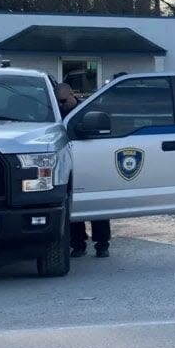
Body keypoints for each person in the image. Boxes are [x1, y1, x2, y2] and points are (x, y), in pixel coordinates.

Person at [56, 82, 112, 259]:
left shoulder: (87, 111)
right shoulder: (56, 115)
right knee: (73, 207)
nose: (61, 105)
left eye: (63, 100)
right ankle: (78, 244)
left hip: (91, 163)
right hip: (69, 165)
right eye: (58, 101)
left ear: (72, 95)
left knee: (97, 206)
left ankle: (102, 245)